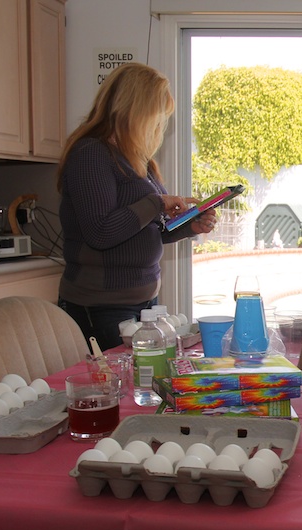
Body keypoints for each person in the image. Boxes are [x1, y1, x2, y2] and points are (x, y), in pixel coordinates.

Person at [56, 62, 218, 350]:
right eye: (155, 116)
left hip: (142, 305)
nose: (157, 125)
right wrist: (156, 202)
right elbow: (101, 232)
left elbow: (150, 228)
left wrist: (189, 225)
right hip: (101, 308)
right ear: (134, 110)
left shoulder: (139, 160)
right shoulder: (90, 154)